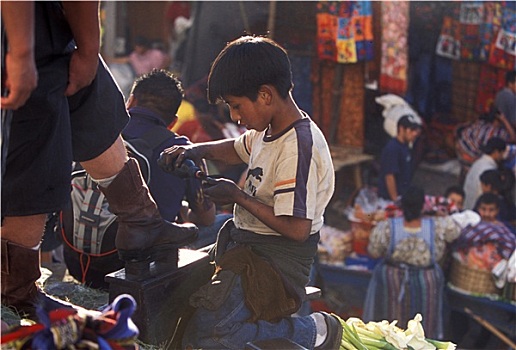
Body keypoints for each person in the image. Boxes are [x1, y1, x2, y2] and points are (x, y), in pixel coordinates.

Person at [1, 2, 197, 317]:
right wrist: (22, 53)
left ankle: (141, 219)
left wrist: (89, 50)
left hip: (46, 26)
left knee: (93, 96)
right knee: (33, 135)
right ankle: (15, 289)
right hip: (16, 32)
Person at [159, 35, 340, 349]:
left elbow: (297, 229)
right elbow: (233, 149)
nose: (234, 116)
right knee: (186, 302)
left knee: (213, 331)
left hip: (278, 262)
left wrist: (239, 196)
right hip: (247, 242)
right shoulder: (265, 131)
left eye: (236, 105)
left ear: (265, 95)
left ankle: (313, 331)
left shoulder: (298, 147)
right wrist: (193, 151)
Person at [123, 69, 231, 249]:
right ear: (173, 122)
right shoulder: (181, 149)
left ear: (131, 100)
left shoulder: (107, 134)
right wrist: (182, 210)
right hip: (142, 256)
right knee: (227, 221)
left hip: (81, 257)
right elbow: (206, 218)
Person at [363, 186, 461, 339]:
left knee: (391, 329)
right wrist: (437, 214)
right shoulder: (437, 225)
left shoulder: (388, 226)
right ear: (423, 205)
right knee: (422, 329)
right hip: (425, 283)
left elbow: (374, 250)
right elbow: (455, 232)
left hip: (393, 282)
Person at [455, 109, 514, 182]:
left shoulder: (478, 124)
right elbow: (513, 138)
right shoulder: (498, 132)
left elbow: (461, 132)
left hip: (463, 156)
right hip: (475, 160)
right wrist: (505, 120)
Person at [378, 114, 422, 201]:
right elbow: (390, 176)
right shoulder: (392, 149)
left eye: (415, 130)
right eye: (411, 130)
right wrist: (395, 200)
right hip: (389, 199)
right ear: (401, 129)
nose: (414, 133)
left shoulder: (405, 147)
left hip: (403, 195)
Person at [463, 136, 507, 210]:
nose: (503, 157)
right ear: (496, 152)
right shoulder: (489, 170)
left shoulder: (478, 163)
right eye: (502, 153)